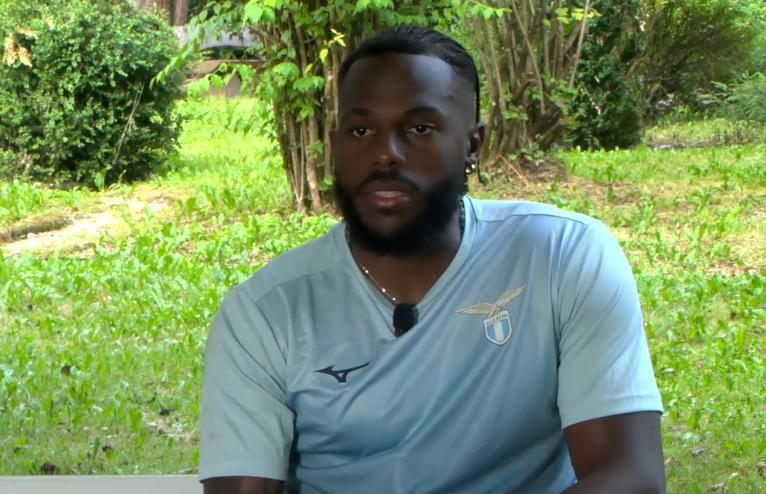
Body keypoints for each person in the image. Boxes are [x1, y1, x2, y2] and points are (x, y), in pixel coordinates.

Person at [199, 26, 665, 494]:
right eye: (361, 131)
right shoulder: (265, 313)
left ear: (473, 145)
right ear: (336, 147)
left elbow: (630, 476)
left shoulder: (561, 256)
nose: (385, 154)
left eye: (420, 129)